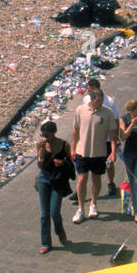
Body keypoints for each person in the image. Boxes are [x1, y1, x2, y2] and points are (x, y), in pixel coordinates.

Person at [71, 86, 117, 224]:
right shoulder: (80, 110)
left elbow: (113, 136)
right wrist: (72, 148)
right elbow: (75, 131)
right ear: (91, 100)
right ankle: (80, 208)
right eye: (98, 101)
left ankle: (93, 204)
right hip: (82, 151)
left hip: (99, 152)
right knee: (81, 179)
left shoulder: (107, 113)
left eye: (102, 101)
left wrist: (113, 152)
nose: (100, 103)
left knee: (96, 178)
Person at [35, 119, 72, 254]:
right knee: (44, 214)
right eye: (43, 136)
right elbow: (40, 166)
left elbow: (71, 164)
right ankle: (46, 243)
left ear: (54, 133)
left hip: (58, 180)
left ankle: (60, 231)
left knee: (54, 211)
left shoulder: (64, 145)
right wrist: (40, 155)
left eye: (48, 135)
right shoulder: (41, 145)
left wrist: (62, 163)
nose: (45, 139)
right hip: (44, 179)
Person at [85, 78, 121, 197]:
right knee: (90, 162)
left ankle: (111, 183)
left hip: (106, 139)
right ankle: (84, 185)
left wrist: (116, 138)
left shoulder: (109, 101)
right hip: (92, 139)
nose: (88, 92)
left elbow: (115, 119)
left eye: (89, 90)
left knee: (109, 162)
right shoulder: (86, 99)